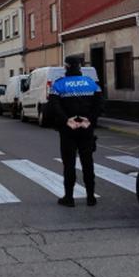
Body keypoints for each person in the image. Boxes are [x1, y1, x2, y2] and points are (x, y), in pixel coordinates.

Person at [47, 56, 103, 207]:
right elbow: (99, 105)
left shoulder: (58, 85)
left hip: (68, 130)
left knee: (69, 164)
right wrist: (88, 120)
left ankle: (69, 198)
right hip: (86, 129)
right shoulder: (91, 84)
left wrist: (67, 120)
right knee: (88, 163)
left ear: (66, 67)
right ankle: (91, 197)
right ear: (80, 67)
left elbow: (54, 106)